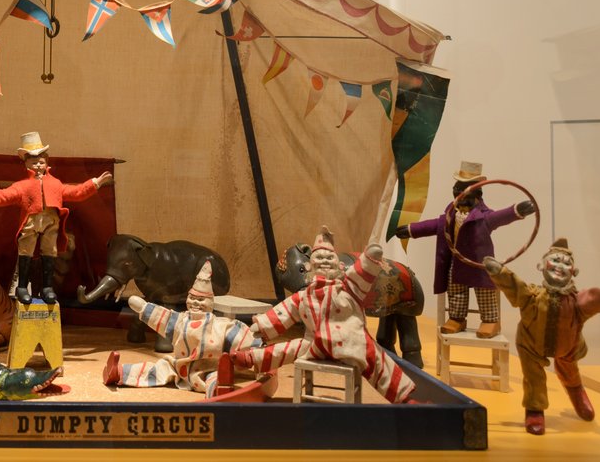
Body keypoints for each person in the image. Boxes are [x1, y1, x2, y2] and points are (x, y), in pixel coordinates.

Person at [233, 226, 418, 404]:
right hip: (315, 343)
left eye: (330, 257)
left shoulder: (349, 288)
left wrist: (370, 258)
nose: (324, 260)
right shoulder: (305, 296)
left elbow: (361, 273)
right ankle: (251, 358)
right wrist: (264, 325)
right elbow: (285, 311)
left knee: (378, 359)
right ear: (308, 265)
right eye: (319, 257)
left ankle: (404, 398)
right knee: (287, 349)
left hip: (351, 342)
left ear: (341, 264)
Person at [484, 238, 600, 436]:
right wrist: (499, 272)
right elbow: (514, 286)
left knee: (570, 371)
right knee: (533, 378)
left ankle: (577, 394)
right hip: (531, 346)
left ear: (574, 272)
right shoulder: (532, 296)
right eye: (555, 261)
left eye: (566, 263)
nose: (560, 267)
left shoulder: (575, 301)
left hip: (567, 346)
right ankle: (535, 409)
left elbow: (590, 300)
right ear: (541, 266)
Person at [0, 132, 112, 304]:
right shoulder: (23, 186)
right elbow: (4, 195)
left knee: (49, 253)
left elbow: (76, 192)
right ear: (26, 163)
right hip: (30, 223)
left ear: (46, 163)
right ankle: (22, 287)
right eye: (34, 162)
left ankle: (47, 287)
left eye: (41, 162)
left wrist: (94, 183)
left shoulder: (55, 184)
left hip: (51, 222)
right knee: (25, 253)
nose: (38, 165)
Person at [396, 160, 534, 338]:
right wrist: (410, 230)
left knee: (485, 293)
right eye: (457, 192)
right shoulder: (450, 215)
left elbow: (501, 216)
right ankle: (457, 318)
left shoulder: (484, 217)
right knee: (456, 293)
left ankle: (490, 320)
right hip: (458, 263)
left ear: (477, 195)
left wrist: (517, 210)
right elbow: (433, 226)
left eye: (464, 193)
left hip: (480, 265)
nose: (460, 197)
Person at [101, 260, 261, 397]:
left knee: (214, 377)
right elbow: (162, 318)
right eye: (192, 298)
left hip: (209, 367)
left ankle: (219, 388)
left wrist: (258, 348)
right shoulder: (180, 320)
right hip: (178, 365)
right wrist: (144, 308)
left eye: (201, 300)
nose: (196, 303)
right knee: (155, 369)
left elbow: (239, 337)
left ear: (211, 303)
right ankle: (119, 373)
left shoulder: (220, 325)